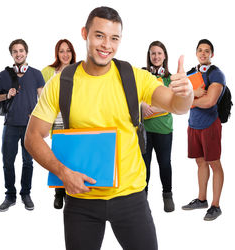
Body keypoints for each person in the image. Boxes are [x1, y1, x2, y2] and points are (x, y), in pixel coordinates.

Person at [25, 6, 193, 250]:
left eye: (114, 38)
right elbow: (32, 137)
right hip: (80, 198)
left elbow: (177, 106)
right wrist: (63, 173)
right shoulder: (61, 82)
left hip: (132, 197)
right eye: (99, 35)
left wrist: (185, 94)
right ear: (85, 33)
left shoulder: (134, 76)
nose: (107, 45)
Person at [0, 39, 45, 212]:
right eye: (15, 51)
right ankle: (10, 195)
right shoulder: (4, 75)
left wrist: (36, 115)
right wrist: (6, 95)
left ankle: (25, 194)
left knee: (28, 161)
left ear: (26, 52)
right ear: (12, 54)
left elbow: (43, 99)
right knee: (7, 161)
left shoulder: (36, 74)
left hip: (30, 127)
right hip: (10, 125)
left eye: (21, 50)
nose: (18, 54)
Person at [182, 39, 225, 221]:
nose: (203, 53)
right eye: (200, 50)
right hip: (193, 125)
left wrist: (190, 101)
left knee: (214, 163)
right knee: (200, 162)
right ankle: (202, 199)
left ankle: (215, 205)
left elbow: (210, 102)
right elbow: (178, 98)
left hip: (210, 124)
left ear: (211, 55)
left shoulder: (217, 74)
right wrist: (194, 96)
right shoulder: (191, 73)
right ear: (196, 53)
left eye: (207, 51)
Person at [42, 39, 76, 209]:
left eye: (68, 50)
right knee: (58, 158)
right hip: (56, 122)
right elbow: (40, 98)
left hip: (75, 121)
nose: (65, 54)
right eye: (61, 51)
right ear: (57, 53)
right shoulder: (49, 72)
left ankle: (72, 191)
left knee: (74, 158)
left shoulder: (79, 71)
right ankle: (58, 193)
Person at [142, 41, 174, 212]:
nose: (156, 57)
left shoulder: (170, 78)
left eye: (159, 53)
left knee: (164, 163)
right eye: (153, 53)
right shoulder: (143, 75)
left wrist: (150, 109)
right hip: (145, 130)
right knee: (144, 165)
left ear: (164, 56)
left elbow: (171, 103)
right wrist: (141, 106)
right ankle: (142, 198)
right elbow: (135, 96)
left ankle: (167, 195)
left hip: (163, 129)